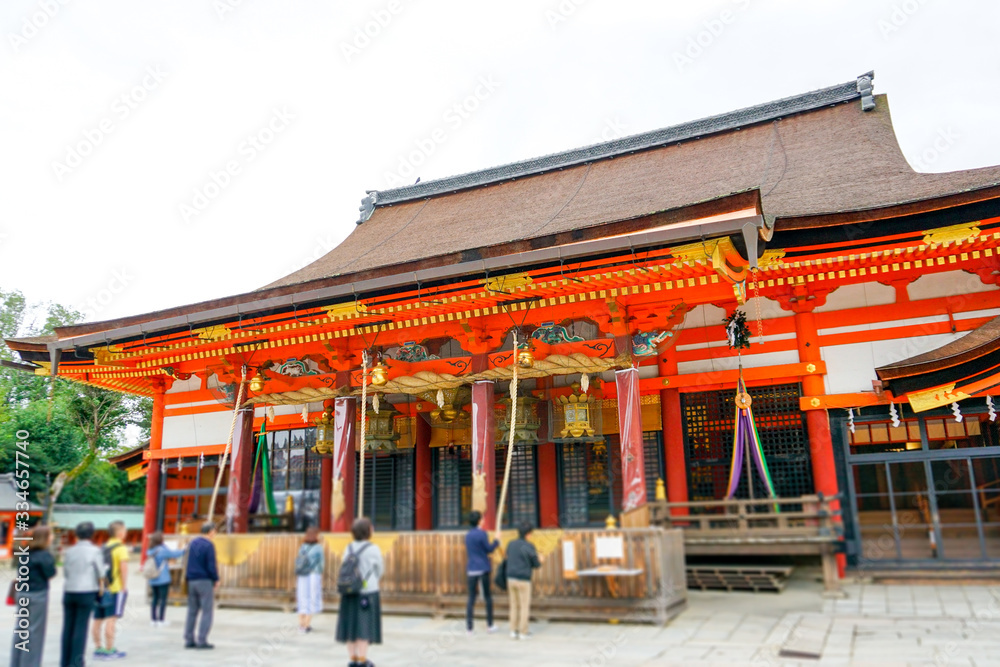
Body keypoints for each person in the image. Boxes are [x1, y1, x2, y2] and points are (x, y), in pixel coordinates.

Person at [336, 517, 383, 667]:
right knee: (364, 626)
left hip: (349, 591)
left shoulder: (348, 548)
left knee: (350, 626)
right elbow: (380, 570)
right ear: (368, 531)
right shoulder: (373, 549)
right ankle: (362, 660)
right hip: (367, 591)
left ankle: (353, 659)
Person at [10, 525, 57, 667]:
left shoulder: (25, 553)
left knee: (21, 629)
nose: (53, 537)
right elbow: (51, 573)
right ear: (45, 538)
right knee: (34, 632)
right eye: (51, 535)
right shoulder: (44, 555)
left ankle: (16, 662)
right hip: (37, 595)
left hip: (22, 594)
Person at [61, 521, 106, 667]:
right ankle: (76, 662)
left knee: (68, 627)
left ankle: (65, 661)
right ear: (92, 535)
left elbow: (66, 572)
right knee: (81, 627)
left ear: (76, 534)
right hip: (86, 591)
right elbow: (101, 572)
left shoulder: (69, 551)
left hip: (69, 590)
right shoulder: (95, 551)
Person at [91, 520, 129, 660]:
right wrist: (124, 587)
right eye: (124, 530)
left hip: (100, 588)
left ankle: (98, 648)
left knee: (97, 619)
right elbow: (123, 568)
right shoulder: (121, 548)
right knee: (111, 619)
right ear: (120, 533)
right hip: (115, 588)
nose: (125, 533)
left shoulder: (103, 547)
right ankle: (109, 649)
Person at [463, 510, 499, 636]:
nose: (483, 520)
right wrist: (496, 541)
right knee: (488, 598)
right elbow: (489, 549)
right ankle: (490, 625)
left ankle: (469, 628)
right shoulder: (482, 534)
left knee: (471, 598)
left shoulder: (467, 535)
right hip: (483, 568)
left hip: (472, 568)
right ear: (479, 521)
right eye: (482, 518)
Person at [184, 523, 219, 650]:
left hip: (191, 580)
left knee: (192, 611)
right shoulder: (209, 545)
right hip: (204, 580)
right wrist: (216, 579)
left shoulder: (192, 543)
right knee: (207, 611)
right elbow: (211, 565)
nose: (215, 534)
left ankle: (189, 639)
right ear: (210, 532)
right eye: (214, 532)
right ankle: (202, 640)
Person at [505, 522, 542, 640]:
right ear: (528, 534)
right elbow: (536, 564)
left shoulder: (511, 544)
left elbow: (507, 557)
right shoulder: (528, 546)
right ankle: (523, 632)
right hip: (523, 579)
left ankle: (513, 630)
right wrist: (541, 559)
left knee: (514, 605)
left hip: (510, 577)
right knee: (524, 606)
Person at [146, 532, 185, 627]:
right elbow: (175, 554)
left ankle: (153, 619)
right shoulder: (162, 550)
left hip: (152, 578)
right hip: (162, 578)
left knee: (155, 598)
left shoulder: (150, 550)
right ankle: (161, 620)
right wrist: (185, 550)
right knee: (163, 599)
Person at [295, 526, 324, 633]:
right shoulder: (318, 547)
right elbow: (321, 563)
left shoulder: (302, 546)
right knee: (312, 597)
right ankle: (307, 625)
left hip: (302, 574)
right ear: (316, 535)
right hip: (314, 574)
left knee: (302, 597)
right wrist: (320, 572)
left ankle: (301, 624)